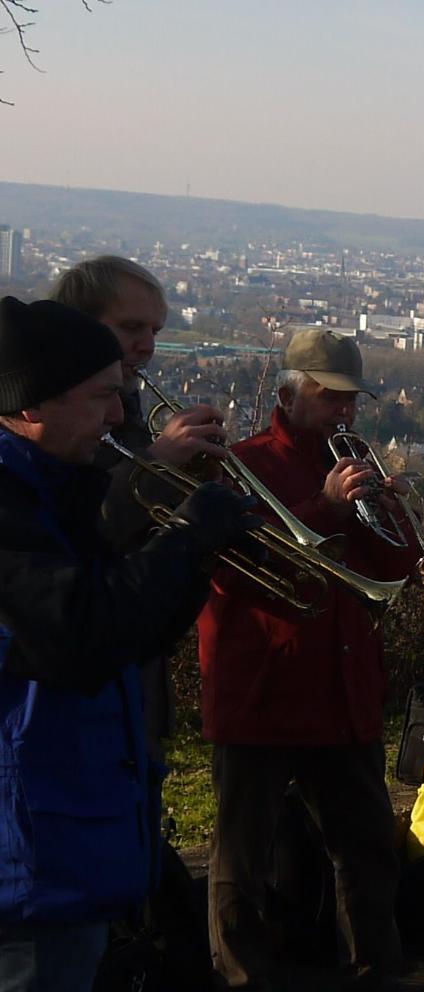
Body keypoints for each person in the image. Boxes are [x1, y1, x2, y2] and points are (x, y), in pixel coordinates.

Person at [0, 296, 254, 992]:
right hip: (28, 867)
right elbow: (80, 635)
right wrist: (185, 538)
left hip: (67, 848)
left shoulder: (60, 490)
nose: (119, 417)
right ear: (31, 408)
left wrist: (198, 561)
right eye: (102, 398)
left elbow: (128, 636)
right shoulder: (12, 502)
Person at [198, 329, 415, 990]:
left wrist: (386, 514)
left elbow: (399, 568)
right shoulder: (241, 465)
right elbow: (229, 569)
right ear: (290, 394)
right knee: (242, 860)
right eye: (329, 399)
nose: (344, 413)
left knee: (368, 851)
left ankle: (376, 973)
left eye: (351, 401)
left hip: (342, 691)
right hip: (261, 692)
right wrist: (323, 505)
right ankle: (242, 979)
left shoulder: (358, 466)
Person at [51, 255, 228, 758]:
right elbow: (72, 530)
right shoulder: (56, 429)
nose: (147, 346)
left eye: (154, 330)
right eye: (131, 327)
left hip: (137, 687)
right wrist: (158, 463)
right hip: (78, 700)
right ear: (79, 325)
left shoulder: (128, 416)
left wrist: (197, 498)